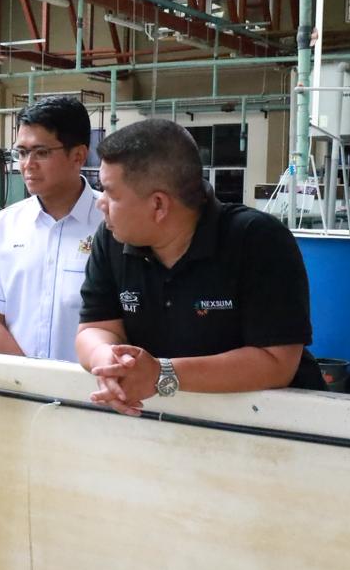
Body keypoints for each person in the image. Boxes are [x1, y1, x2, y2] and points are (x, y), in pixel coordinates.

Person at [75, 118, 325, 417]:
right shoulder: (112, 239)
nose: (100, 203)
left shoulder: (256, 239)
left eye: (111, 193)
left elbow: (277, 363)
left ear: (158, 205)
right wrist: (109, 360)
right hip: (166, 419)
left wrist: (162, 373)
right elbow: (95, 328)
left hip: (268, 423)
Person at [0, 95, 103, 362]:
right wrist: (31, 377)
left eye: (41, 152)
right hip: (19, 381)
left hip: (90, 383)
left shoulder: (112, 224)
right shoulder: (1, 227)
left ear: (78, 155)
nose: (28, 164)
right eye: (22, 153)